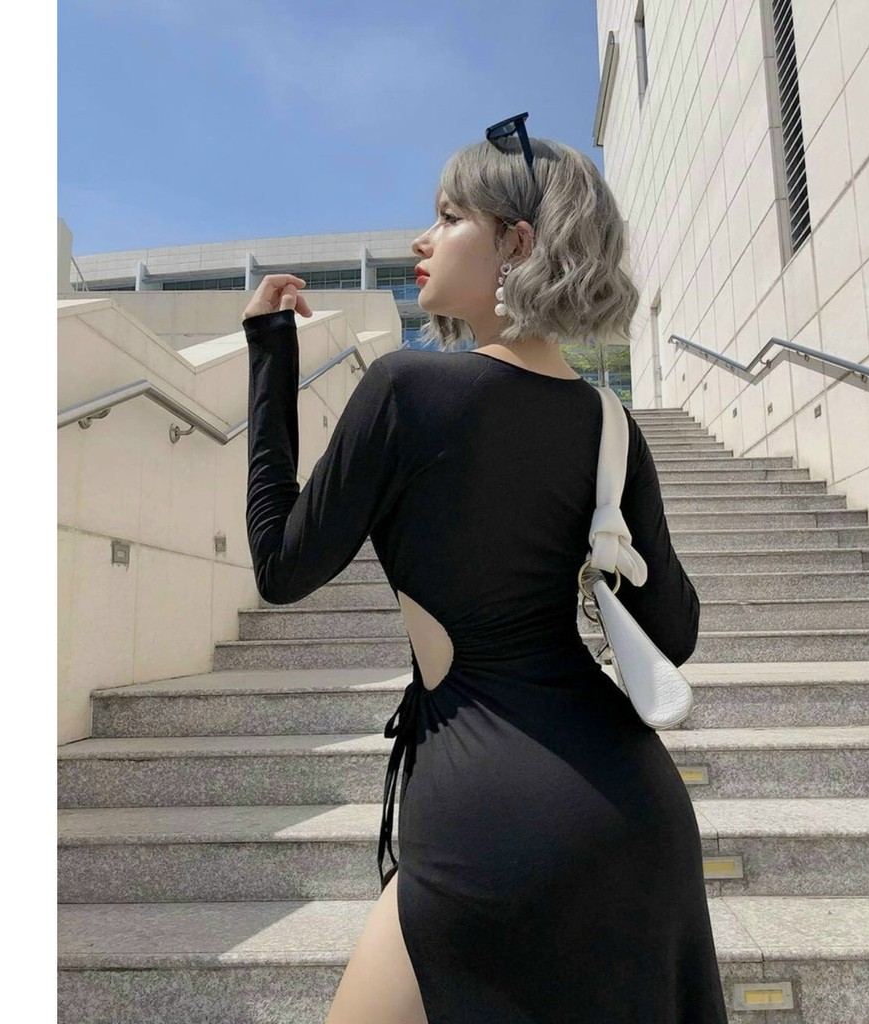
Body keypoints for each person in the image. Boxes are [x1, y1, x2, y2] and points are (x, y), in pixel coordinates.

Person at [242, 126, 728, 1024]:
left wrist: (269, 352)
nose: (421, 239)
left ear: (516, 242)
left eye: (448, 216)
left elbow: (279, 564)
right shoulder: (611, 425)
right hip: (634, 808)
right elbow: (677, 631)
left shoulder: (406, 393)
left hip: (485, 810)